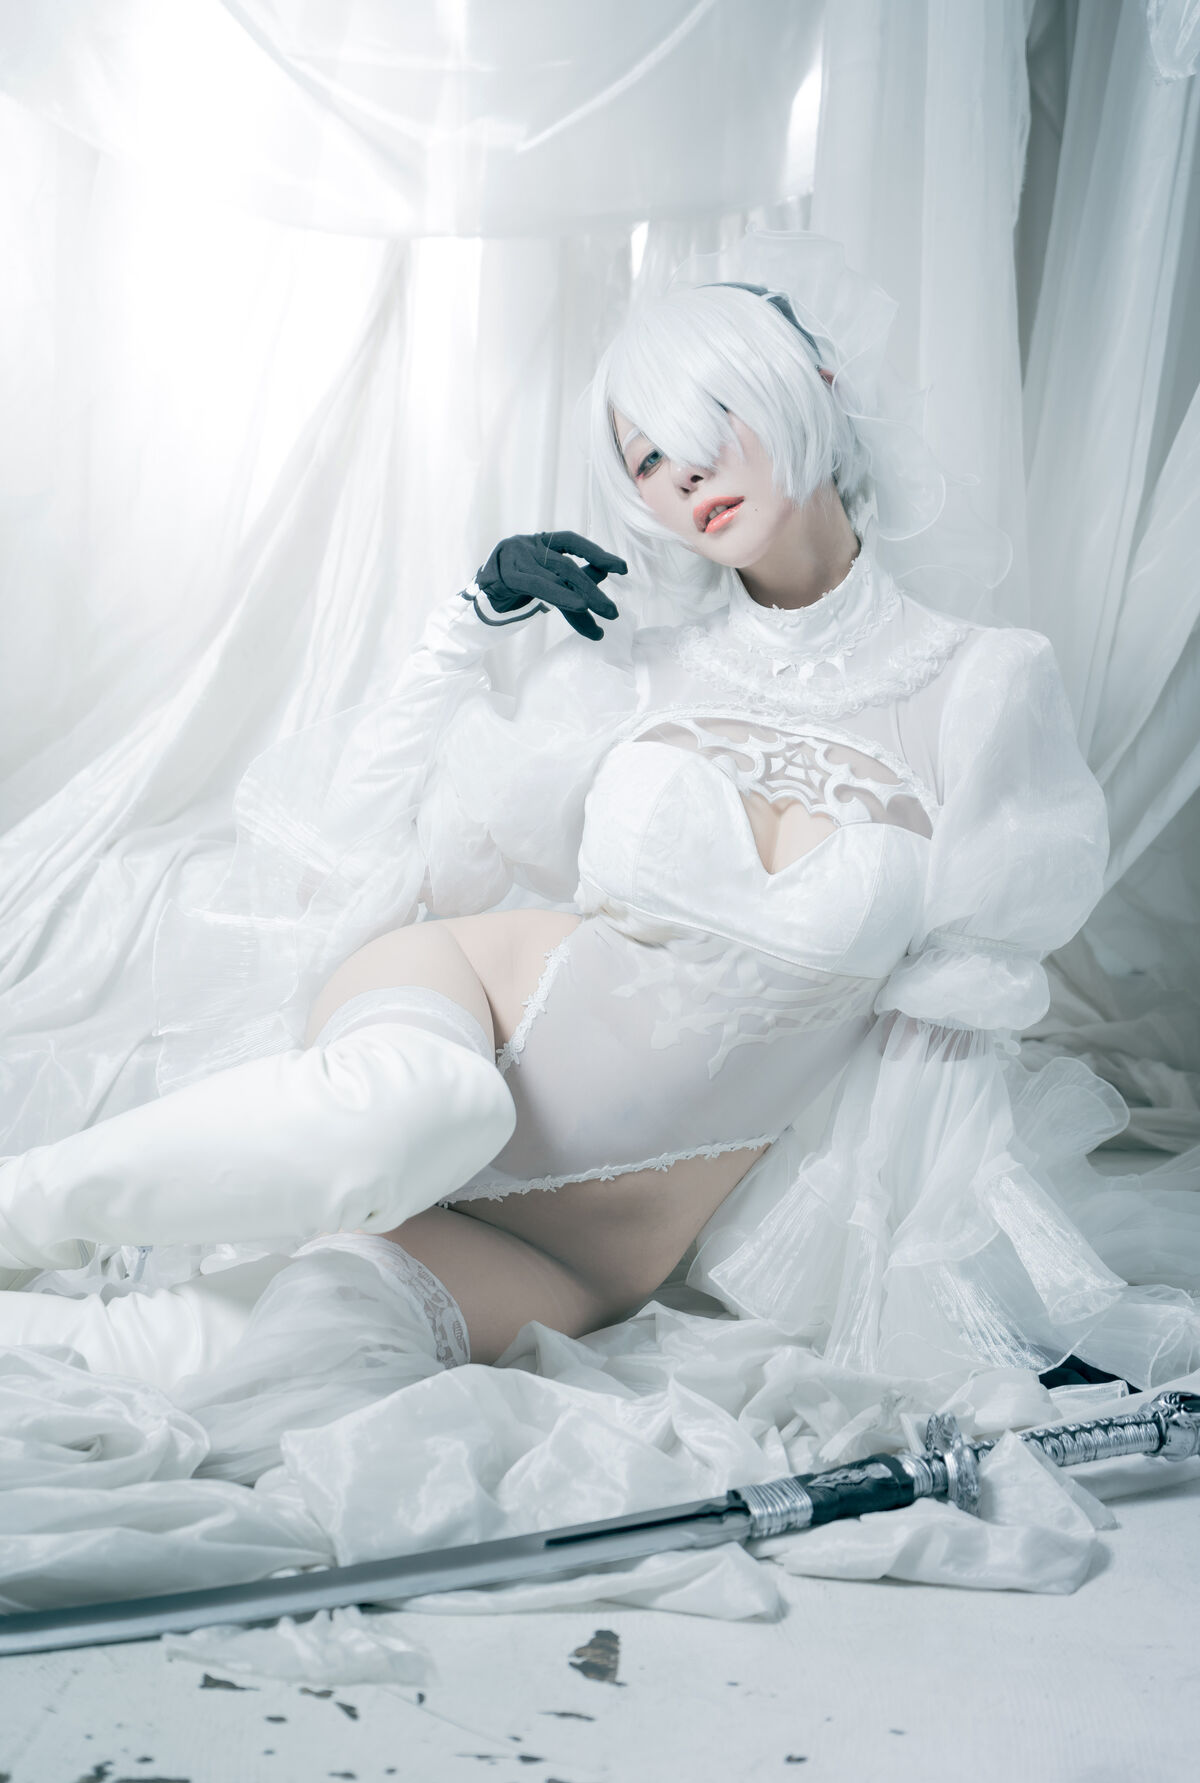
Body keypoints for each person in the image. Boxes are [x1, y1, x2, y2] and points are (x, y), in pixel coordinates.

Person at [3, 252, 1197, 1480]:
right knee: (424, 1107)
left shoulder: (985, 685)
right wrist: (462, 634)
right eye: (646, 458)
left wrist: (981, 1320)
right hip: (463, 1018)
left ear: (814, 386)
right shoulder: (641, 667)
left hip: (575, 1251)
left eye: (708, 421)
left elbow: (946, 1043)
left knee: (260, 1386)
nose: (682, 474)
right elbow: (357, 839)